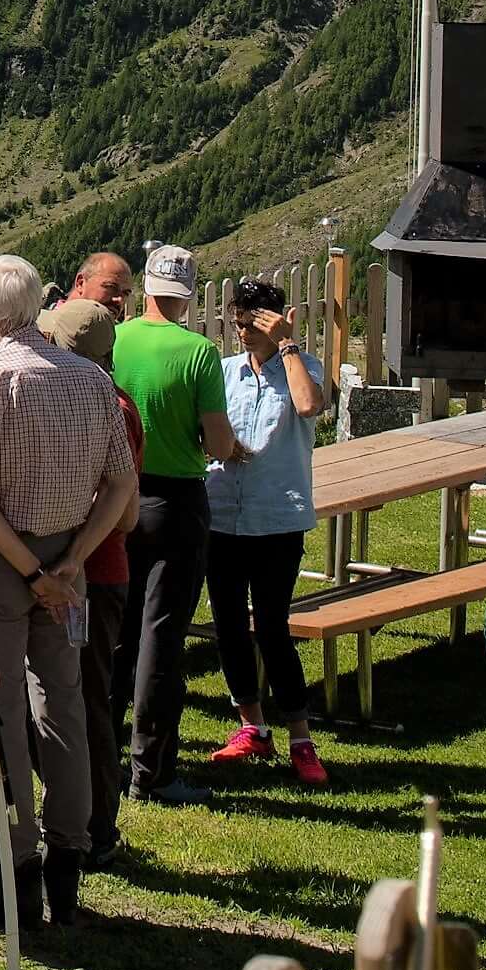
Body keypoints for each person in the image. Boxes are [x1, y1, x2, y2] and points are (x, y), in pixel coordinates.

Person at [0, 253, 140, 926]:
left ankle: (19, 860)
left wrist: (29, 570)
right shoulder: (91, 380)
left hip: (6, 558)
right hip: (68, 556)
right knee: (66, 708)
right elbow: (121, 484)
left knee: (0, 715)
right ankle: (70, 861)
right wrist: (69, 564)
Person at [105, 245, 243, 801]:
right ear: (187, 296)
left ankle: (102, 752)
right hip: (177, 501)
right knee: (161, 639)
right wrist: (232, 447)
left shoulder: (115, 339)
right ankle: (153, 769)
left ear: (146, 289)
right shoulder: (199, 352)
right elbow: (216, 440)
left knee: (115, 629)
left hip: (117, 495)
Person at [204, 275, 330, 784]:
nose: (245, 334)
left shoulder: (303, 366)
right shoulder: (224, 370)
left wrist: (288, 344)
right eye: (239, 324)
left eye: (255, 324)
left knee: (272, 628)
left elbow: (307, 405)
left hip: (276, 515)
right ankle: (251, 726)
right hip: (222, 513)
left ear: (278, 320)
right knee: (229, 625)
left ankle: (301, 737)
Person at [39, 279, 135, 857]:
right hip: (92, 569)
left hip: (91, 573)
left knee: (88, 700)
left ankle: (96, 826)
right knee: (76, 697)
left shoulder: (106, 407)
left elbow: (122, 518)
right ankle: (84, 820)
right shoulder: (112, 401)